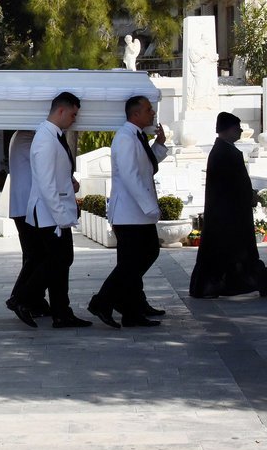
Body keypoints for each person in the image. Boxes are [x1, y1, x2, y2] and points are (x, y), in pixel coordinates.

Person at [10, 92, 91, 329]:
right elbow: (45, 184)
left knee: (61, 261)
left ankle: (61, 312)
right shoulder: (45, 138)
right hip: (49, 214)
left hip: (54, 213)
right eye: (74, 114)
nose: (75, 119)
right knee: (59, 259)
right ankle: (22, 299)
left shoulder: (52, 136)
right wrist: (61, 216)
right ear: (61, 111)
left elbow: (56, 176)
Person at [88, 96, 168, 328]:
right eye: (148, 109)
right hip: (129, 214)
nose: (152, 113)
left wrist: (160, 145)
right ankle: (104, 302)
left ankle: (129, 307)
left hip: (138, 214)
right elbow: (131, 176)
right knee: (131, 264)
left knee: (143, 256)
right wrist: (151, 207)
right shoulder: (125, 138)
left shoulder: (137, 136)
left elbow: (146, 167)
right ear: (135, 114)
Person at [190, 112, 267, 298]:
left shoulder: (224, 151)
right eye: (237, 127)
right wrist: (248, 197)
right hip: (229, 216)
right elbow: (233, 185)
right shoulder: (224, 152)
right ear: (229, 129)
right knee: (228, 254)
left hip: (228, 214)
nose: (240, 131)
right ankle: (214, 285)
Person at [6, 130, 51, 318]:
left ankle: (33, 300)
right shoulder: (28, 137)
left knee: (34, 255)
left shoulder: (22, 136)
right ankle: (19, 298)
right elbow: (45, 166)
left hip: (24, 205)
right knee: (39, 256)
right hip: (27, 205)